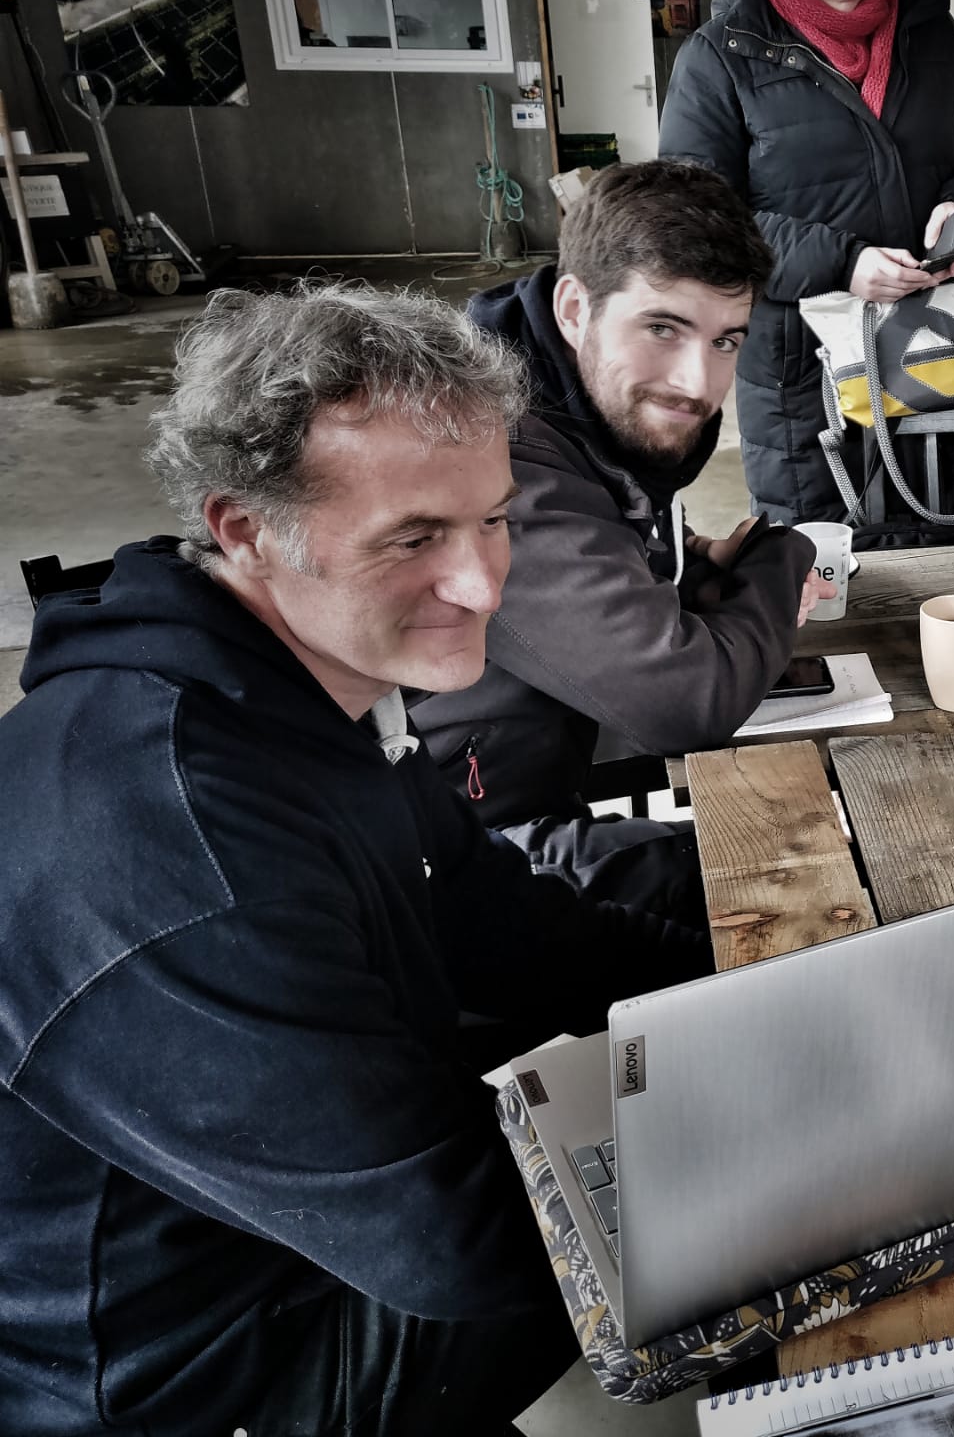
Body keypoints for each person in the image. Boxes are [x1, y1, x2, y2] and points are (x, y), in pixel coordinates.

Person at [0, 285, 710, 1434]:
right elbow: (461, 1245)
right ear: (244, 528)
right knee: (768, 1249)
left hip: (319, 1193)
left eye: (493, 518)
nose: (483, 584)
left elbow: (504, 926)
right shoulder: (180, 857)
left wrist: (753, 993)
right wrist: (781, 1144)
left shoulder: (303, 678)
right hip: (198, 1366)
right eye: (414, 538)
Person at [409, 160, 826, 921]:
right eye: (662, 328)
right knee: (810, 887)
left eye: (726, 341)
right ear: (574, 308)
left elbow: (593, 545)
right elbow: (686, 702)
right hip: (455, 849)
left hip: (531, 770)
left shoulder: (556, 389)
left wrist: (685, 563)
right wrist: (783, 554)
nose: (698, 382)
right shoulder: (490, 454)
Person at [658, 0, 954, 542]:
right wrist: (843, 262)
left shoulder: (928, 32)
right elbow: (694, 220)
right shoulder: (720, 57)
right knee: (823, 566)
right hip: (802, 363)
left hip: (934, 338)